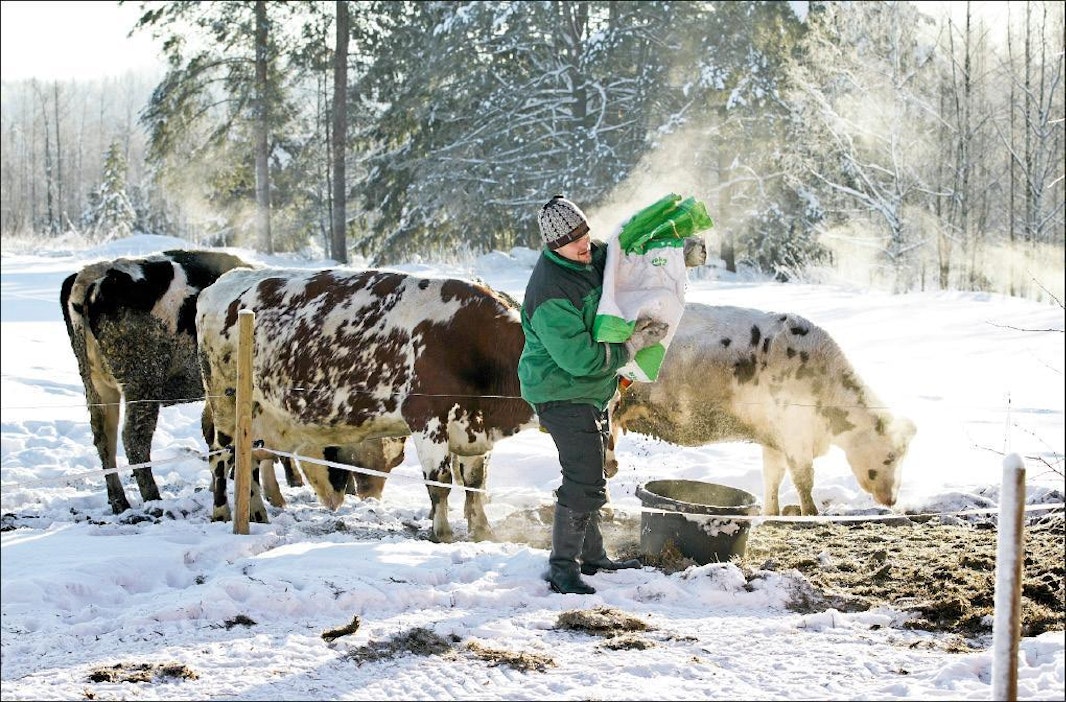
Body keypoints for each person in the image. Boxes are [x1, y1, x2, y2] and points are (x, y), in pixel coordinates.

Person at [518, 194, 669, 595]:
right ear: (554, 246)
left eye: (584, 234)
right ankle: (562, 568)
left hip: (590, 391)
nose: (584, 244)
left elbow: (627, 258)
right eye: (573, 241)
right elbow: (581, 359)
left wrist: (675, 256)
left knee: (592, 474)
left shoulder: (590, 255)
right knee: (583, 479)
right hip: (561, 391)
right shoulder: (549, 293)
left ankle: (593, 556)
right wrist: (632, 346)